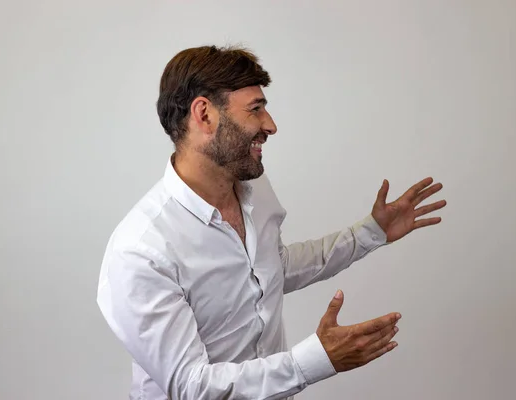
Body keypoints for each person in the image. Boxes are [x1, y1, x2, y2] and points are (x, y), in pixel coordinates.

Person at [96, 45, 446, 400]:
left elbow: (272, 268)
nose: (271, 125)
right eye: (255, 109)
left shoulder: (253, 186)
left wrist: (372, 232)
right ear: (204, 114)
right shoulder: (141, 250)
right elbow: (192, 386)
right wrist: (316, 360)